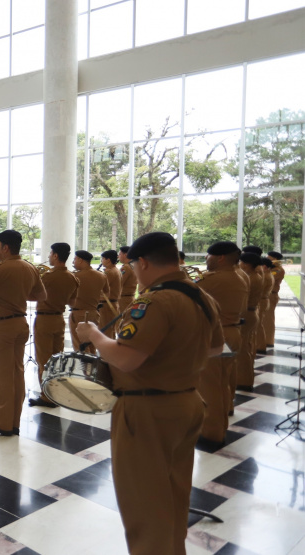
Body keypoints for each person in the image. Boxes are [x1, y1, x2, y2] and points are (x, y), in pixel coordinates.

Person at [76, 232, 223, 555]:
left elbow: (127, 359)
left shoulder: (153, 301)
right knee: (173, 497)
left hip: (147, 409)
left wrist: (94, 335)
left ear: (142, 262)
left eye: (133, 266)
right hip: (187, 401)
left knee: (144, 506)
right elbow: (215, 348)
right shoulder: (201, 296)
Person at [0, 230, 47, 437]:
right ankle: (14, 422)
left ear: (5, 248)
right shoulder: (30, 267)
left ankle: (2, 424)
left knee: (3, 377)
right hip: (20, 323)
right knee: (17, 373)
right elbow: (41, 295)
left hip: (1, 326)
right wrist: (17, 294)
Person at [195, 241, 247, 444]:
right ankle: (221, 425)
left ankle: (210, 432)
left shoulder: (213, 279)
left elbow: (186, 291)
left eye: (208, 255)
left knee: (209, 386)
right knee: (222, 382)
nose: (206, 259)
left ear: (220, 258)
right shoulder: (239, 276)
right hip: (232, 332)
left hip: (217, 336)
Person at [29, 242, 79, 408]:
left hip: (44, 320)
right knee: (57, 359)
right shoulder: (72, 277)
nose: (49, 256)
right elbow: (72, 301)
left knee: (44, 360)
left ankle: (46, 397)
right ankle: (56, 394)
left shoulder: (47, 276)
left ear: (56, 255)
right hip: (59, 319)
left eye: (50, 253)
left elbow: (32, 294)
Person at [67, 250, 108, 354]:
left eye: (75, 259)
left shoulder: (75, 276)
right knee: (92, 346)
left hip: (78, 314)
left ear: (80, 260)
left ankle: (84, 365)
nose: (73, 262)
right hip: (94, 313)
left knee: (80, 347)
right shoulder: (101, 275)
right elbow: (106, 293)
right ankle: (93, 364)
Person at [236, 252, 262, 391]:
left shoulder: (250, 278)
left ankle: (244, 380)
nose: (239, 265)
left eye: (241, 262)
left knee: (242, 350)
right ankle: (245, 378)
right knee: (245, 347)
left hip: (247, 314)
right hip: (251, 313)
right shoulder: (254, 275)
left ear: (246, 264)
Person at [99, 250, 122, 338]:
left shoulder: (109, 272)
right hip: (111, 303)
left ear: (108, 260)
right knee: (110, 330)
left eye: (103, 259)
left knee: (105, 331)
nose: (101, 261)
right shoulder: (115, 270)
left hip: (106, 304)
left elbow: (100, 287)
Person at [265, 251, 285, 348]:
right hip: (267, 295)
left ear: (275, 259)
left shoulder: (278, 270)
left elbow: (269, 278)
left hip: (271, 295)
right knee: (264, 319)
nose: (267, 259)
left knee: (268, 319)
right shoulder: (271, 268)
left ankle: (269, 341)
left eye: (269, 258)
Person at [256, 257, 274, 354]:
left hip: (262, 301)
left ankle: (260, 346)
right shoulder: (267, 274)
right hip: (263, 300)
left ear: (265, 267)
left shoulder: (265, 276)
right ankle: (260, 345)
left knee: (258, 325)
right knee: (259, 324)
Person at [118, 246, 138, 312]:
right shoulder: (134, 265)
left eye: (120, 254)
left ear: (125, 255)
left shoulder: (125, 268)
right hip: (130, 298)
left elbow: (119, 282)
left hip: (124, 299)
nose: (118, 256)